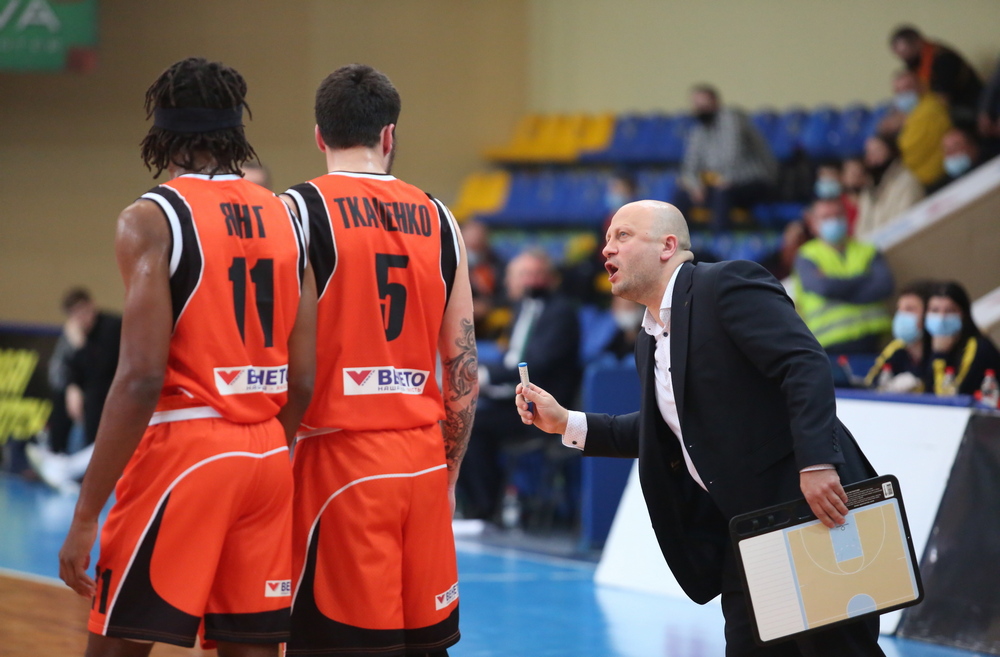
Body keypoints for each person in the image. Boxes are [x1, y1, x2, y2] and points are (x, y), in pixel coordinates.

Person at [516, 200, 882, 656]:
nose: (607, 249)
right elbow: (668, 430)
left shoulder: (726, 284)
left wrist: (817, 462)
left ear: (668, 246)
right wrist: (565, 422)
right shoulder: (648, 339)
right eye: (607, 239)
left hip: (809, 511)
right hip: (745, 532)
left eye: (623, 236)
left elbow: (804, 364)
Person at [57, 57, 316, 656]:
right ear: (236, 129)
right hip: (268, 453)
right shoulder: (287, 217)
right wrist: (255, 449)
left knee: (118, 646)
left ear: (163, 135)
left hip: (187, 448)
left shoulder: (152, 217)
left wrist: (86, 513)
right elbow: (303, 378)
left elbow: (141, 377)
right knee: (252, 649)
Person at [281, 64, 477, 657]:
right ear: (389, 135)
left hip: (334, 463)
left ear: (320, 135)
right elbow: (463, 367)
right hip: (421, 464)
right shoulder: (441, 218)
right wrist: (448, 475)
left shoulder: (298, 210)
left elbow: (282, 354)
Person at [457, 248, 580, 523]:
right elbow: (513, 359)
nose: (528, 281)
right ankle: (472, 507)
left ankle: (484, 511)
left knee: (472, 424)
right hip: (514, 396)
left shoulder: (561, 313)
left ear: (547, 278)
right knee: (456, 414)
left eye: (534, 274)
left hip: (544, 406)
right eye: (522, 274)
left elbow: (537, 364)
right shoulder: (521, 309)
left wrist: (486, 376)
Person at [793, 198, 894, 353]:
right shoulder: (806, 256)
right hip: (831, 345)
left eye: (838, 215)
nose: (833, 221)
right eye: (826, 217)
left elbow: (884, 286)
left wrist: (836, 286)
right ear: (813, 223)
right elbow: (823, 287)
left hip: (877, 340)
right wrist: (864, 278)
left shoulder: (867, 250)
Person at [676, 84, 777, 232]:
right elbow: (689, 166)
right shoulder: (698, 130)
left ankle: (719, 240)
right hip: (718, 184)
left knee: (722, 192)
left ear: (715, 102)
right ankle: (679, 240)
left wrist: (723, 179)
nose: (700, 108)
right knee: (681, 193)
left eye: (704, 104)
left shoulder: (732, 120)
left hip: (752, 181)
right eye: (696, 105)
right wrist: (695, 186)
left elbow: (732, 159)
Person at [889, 26, 983, 128]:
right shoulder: (914, 63)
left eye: (905, 52)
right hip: (936, 106)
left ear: (918, 43)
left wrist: (914, 117)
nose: (903, 58)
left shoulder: (944, 59)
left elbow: (942, 100)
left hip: (967, 108)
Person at [921, 281, 1000, 397]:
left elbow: (951, 395)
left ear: (963, 314)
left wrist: (940, 356)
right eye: (935, 310)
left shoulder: (979, 347)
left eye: (949, 311)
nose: (941, 318)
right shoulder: (927, 343)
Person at [880, 70, 952, 187]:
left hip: (938, 178)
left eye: (907, 88)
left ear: (921, 87)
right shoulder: (909, 115)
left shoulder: (930, 109)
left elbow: (908, 152)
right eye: (898, 91)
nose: (903, 94)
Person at [865, 280, 935, 392]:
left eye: (909, 309)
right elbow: (871, 383)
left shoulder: (940, 351)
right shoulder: (897, 347)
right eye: (900, 309)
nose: (902, 316)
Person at [855, 135, 924, 239]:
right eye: (869, 153)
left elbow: (905, 222)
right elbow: (861, 229)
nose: (872, 157)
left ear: (891, 151)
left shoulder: (906, 181)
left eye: (877, 151)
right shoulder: (867, 192)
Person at [926, 127, 984, 194]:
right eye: (947, 150)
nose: (950, 154)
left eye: (955, 148)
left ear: (972, 147)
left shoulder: (990, 165)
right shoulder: (942, 189)